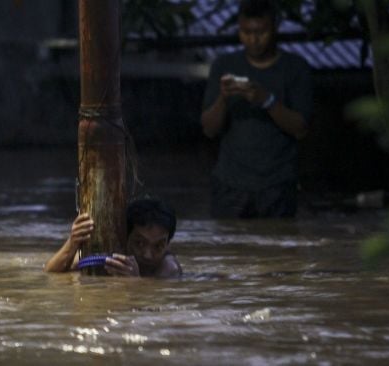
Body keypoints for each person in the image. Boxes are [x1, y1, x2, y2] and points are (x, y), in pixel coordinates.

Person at [200, 0, 313, 218]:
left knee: (280, 249)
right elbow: (208, 129)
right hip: (230, 184)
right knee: (228, 248)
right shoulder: (224, 65)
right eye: (246, 32)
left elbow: (301, 128)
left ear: (275, 28)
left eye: (261, 32)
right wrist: (223, 98)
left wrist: (267, 100)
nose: (253, 39)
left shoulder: (295, 67)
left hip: (277, 184)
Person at [44, 198, 182, 278]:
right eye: (139, 243)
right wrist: (73, 241)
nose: (148, 254)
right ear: (126, 237)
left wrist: (135, 282)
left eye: (158, 246)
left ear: (168, 244)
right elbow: (49, 274)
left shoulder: (169, 267)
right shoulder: (113, 251)